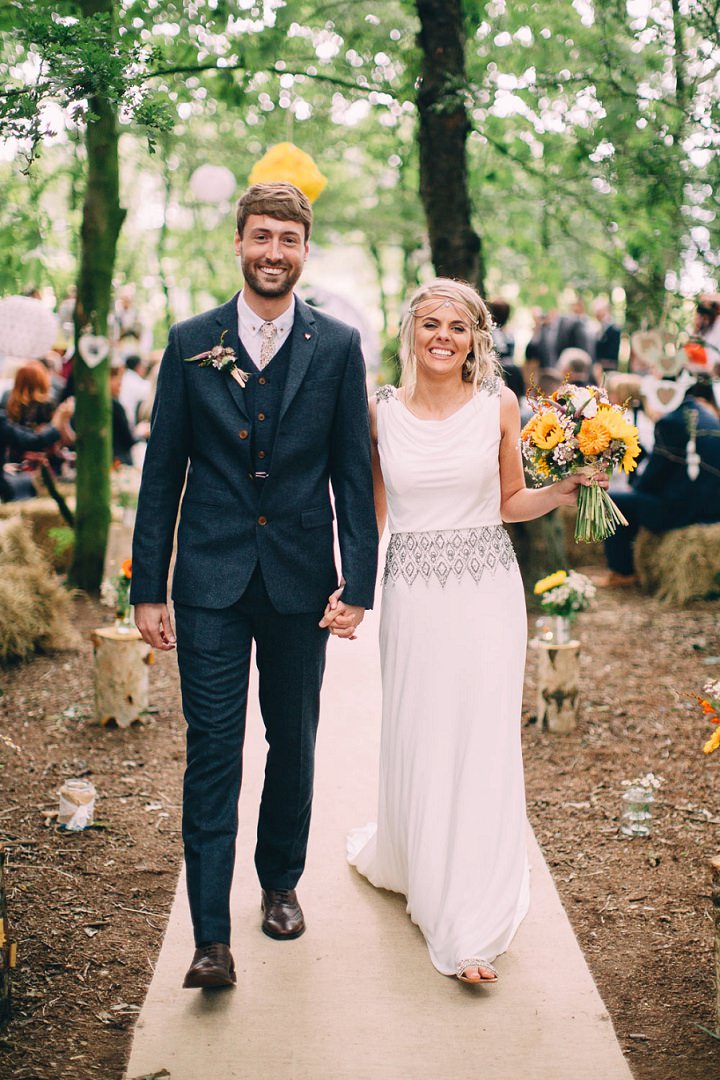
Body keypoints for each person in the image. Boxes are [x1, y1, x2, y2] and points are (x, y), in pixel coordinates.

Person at [131, 182, 378, 990]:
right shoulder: (190, 340)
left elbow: (350, 471)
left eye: (290, 240)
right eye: (262, 236)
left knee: (294, 741)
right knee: (212, 750)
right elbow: (162, 471)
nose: (275, 251)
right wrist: (148, 587)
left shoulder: (338, 346)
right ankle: (208, 938)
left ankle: (279, 884)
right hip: (207, 578)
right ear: (239, 242)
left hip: (302, 581)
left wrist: (359, 581)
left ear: (305, 250)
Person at [329, 278, 604, 985]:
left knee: (480, 739)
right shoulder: (380, 412)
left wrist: (567, 488)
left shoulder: (500, 405)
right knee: (423, 732)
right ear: (410, 332)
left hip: (487, 591)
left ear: (475, 336)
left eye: (457, 325)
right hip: (414, 594)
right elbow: (377, 514)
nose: (442, 336)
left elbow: (511, 500)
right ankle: (418, 859)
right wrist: (351, 589)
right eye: (430, 324)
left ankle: (468, 917)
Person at [600, 377, 720, 586]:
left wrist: (635, 489)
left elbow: (652, 478)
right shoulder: (708, 417)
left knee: (613, 501)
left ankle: (622, 572)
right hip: (712, 509)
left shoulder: (671, 422)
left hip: (682, 511)